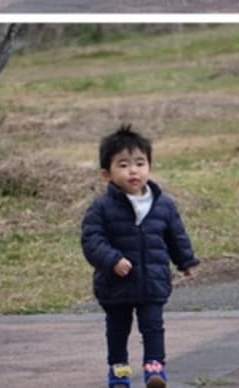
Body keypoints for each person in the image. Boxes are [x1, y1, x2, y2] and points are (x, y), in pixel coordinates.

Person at [81, 124, 200, 388]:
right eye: (122, 165)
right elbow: (91, 240)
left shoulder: (164, 204)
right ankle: (119, 372)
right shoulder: (101, 208)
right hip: (116, 284)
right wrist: (112, 260)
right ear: (106, 174)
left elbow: (176, 236)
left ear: (149, 167)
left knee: (153, 326)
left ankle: (154, 369)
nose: (133, 171)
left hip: (153, 280)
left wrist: (187, 261)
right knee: (118, 330)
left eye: (139, 163)